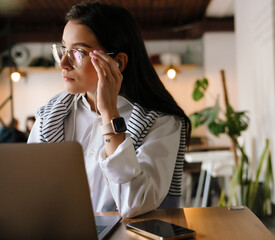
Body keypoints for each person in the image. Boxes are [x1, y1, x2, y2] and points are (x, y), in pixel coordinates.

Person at [27, 1, 191, 218]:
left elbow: (134, 204)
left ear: (118, 63)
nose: (63, 63)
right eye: (63, 49)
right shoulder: (50, 117)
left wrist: (110, 115)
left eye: (78, 52)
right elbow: (28, 190)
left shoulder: (161, 122)